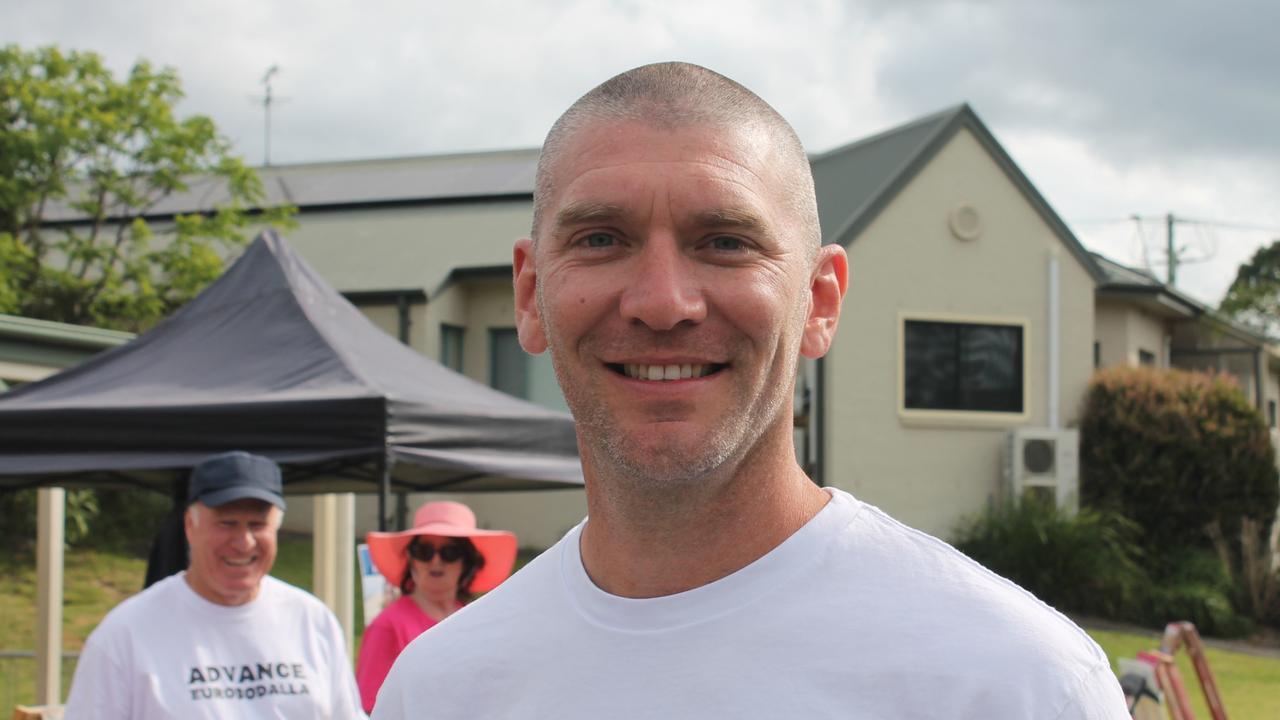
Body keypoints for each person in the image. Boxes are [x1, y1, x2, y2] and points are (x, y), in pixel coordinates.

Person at [372, 62, 1128, 719]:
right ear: (530, 294)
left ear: (820, 301)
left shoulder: (1014, 686)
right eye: (602, 238)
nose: (663, 302)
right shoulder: (439, 691)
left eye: (725, 242)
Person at [64, 451, 366, 719]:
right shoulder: (126, 634)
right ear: (190, 526)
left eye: (257, 525)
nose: (243, 542)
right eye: (227, 523)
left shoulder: (312, 621)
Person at [355, 501, 516, 713]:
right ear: (411, 560)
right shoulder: (388, 625)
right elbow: (368, 708)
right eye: (424, 551)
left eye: (449, 552)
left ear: (466, 562)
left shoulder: (476, 620)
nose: (436, 561)